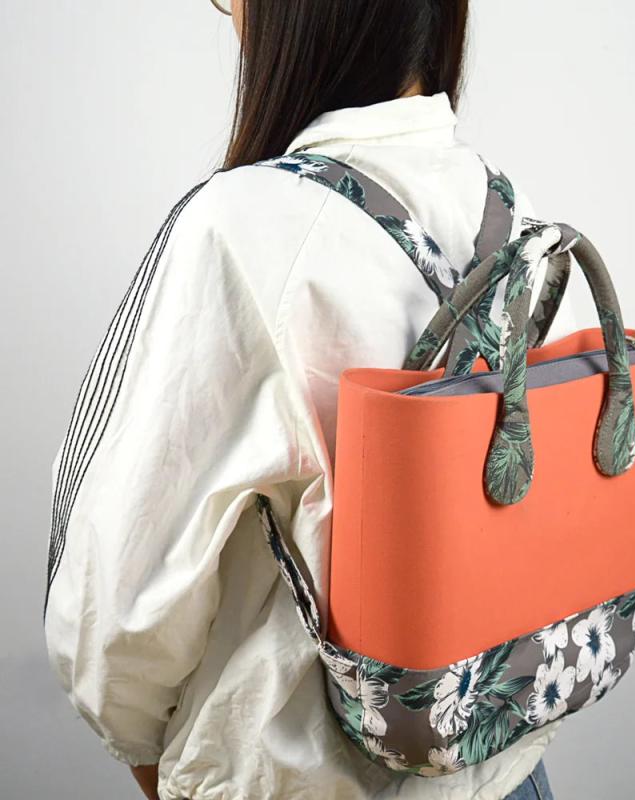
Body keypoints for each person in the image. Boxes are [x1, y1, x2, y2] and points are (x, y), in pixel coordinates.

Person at [43, 1, 579, 798]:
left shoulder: (237, 227)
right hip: (510, 773)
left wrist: (157, 763)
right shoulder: (510, 209)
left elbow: (112, 605)